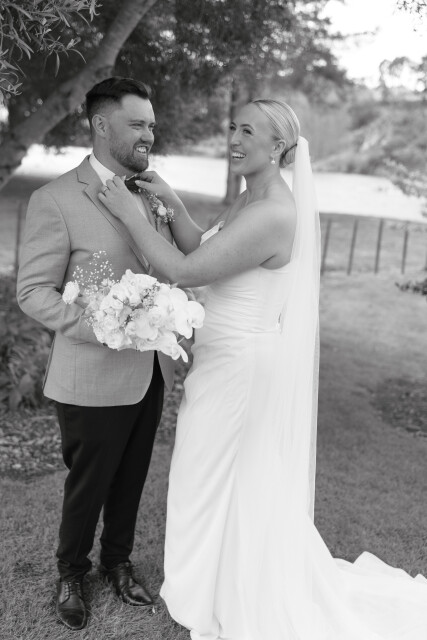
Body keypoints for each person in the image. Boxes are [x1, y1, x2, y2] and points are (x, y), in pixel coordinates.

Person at [101, 98, 427, 640]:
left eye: (247, 131)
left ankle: (215, 591)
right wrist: (172, 202)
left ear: (278, 146)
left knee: (205, 472)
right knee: (222, 475)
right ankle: (217, 580)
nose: (234, 138)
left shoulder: (275, 212)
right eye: (233, 127)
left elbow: (184, 270)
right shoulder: (251, 196)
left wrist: (130, 213)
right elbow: (208, 251)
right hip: (222, 358)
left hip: (241, 365)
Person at [16, 77, 175, 631]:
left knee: (131, 478)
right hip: (90, 373)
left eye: (151, 125)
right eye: (138, 124)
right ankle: (71, 572)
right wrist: (101, 326)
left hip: (149, 371)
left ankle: (117, 563)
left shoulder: (150, 191)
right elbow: (33, 291)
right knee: (88, 484)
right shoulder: (55, 199)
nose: (148, 134)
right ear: (101, 125)